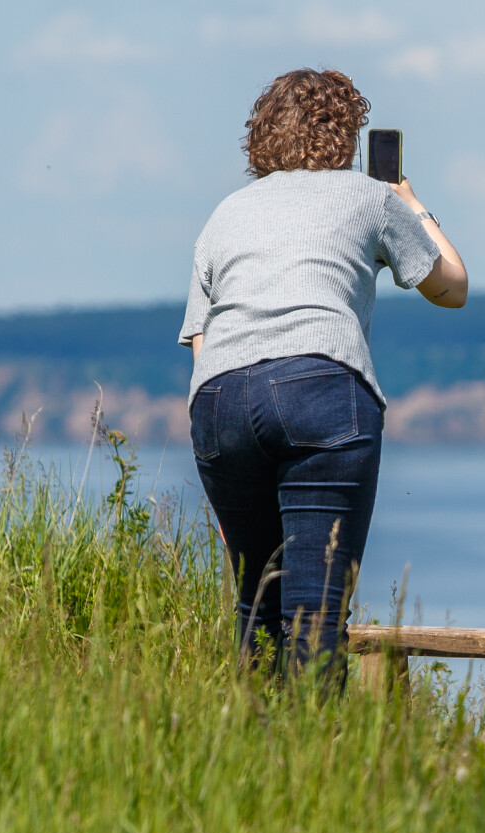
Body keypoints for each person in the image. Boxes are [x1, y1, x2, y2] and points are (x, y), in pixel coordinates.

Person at [179, 68, 467, 676]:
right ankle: (316, 754)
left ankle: (256, 756)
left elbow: (201, 343)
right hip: (322, 387)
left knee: (256, 601)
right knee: (315, 613)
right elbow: (452, 287)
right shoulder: (372, 198)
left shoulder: (225, 213)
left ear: (263, 136)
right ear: (345, 136)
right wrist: (414, 205)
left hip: (220, 399)